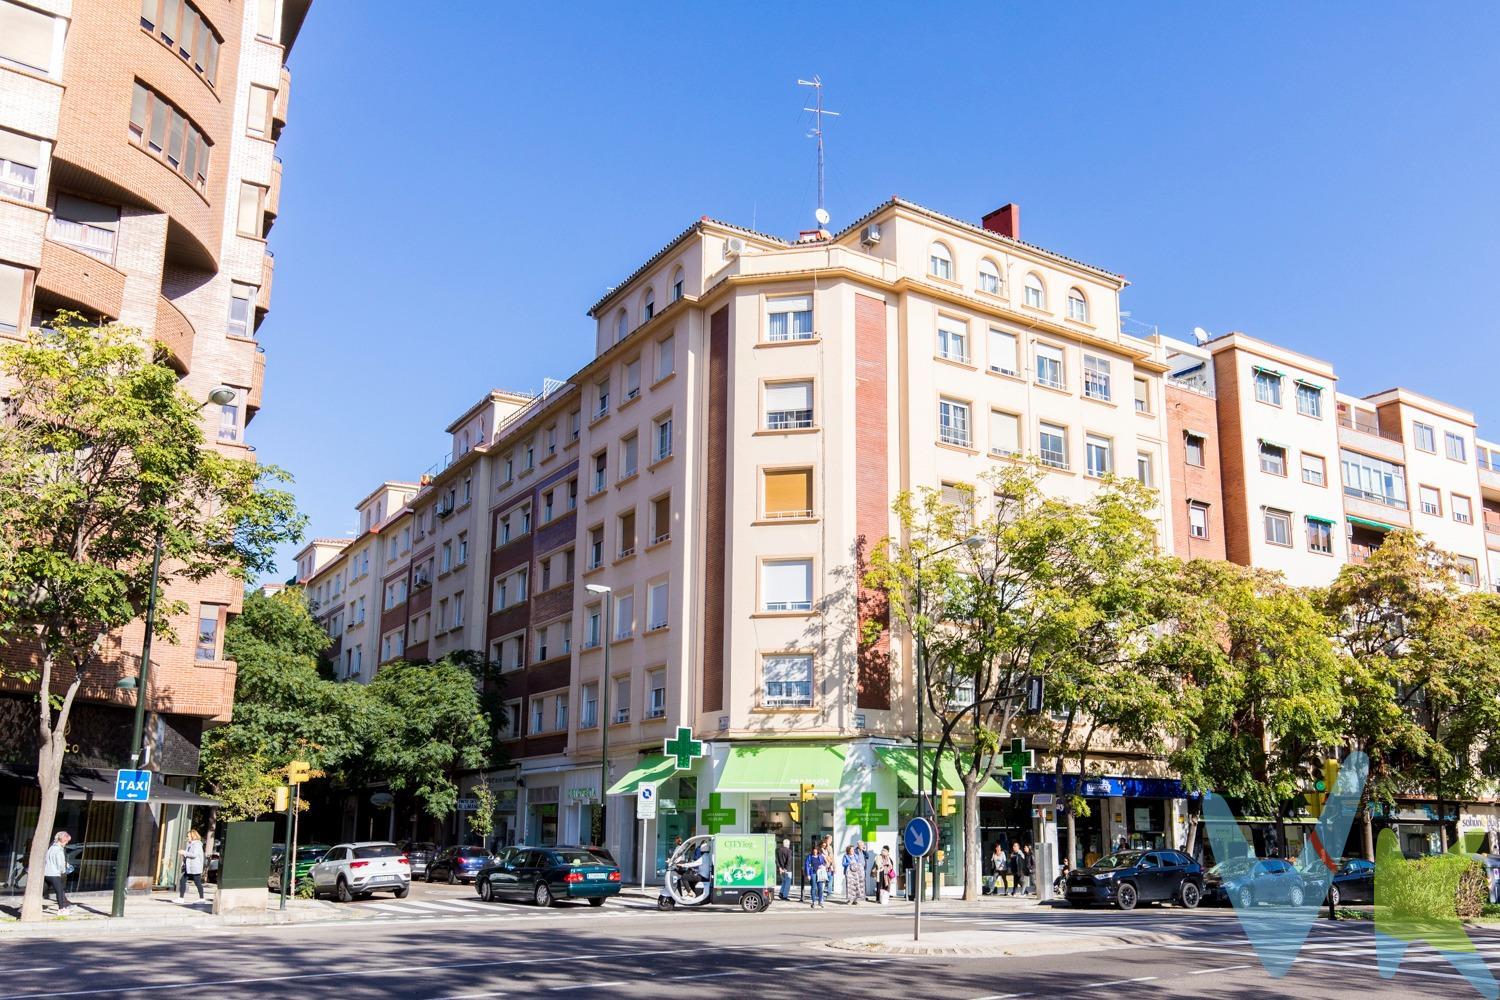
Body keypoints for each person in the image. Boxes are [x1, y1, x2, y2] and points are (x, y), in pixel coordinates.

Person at [43, 831, 73, 915]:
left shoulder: (51, 848)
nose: (67, 843)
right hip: (54, 874)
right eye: (67, 841)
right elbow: (60, 864)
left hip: (47, 873)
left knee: (43, 891)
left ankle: (25, 907)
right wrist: (64, 870)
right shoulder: (59, 850)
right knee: (59, 891)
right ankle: (61, 909)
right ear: (63, 840)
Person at [178, 830, 206, 901]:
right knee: (182, 881)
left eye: (188, 836)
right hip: (189, 867)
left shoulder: (197, 844)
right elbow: (187, 855)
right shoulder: (190, 844)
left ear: (193, 836)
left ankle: (202, 898)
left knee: (197, 882)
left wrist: (184, 852)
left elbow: (194, 855)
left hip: (195, 867)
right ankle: (181, 898)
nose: (187, 837)